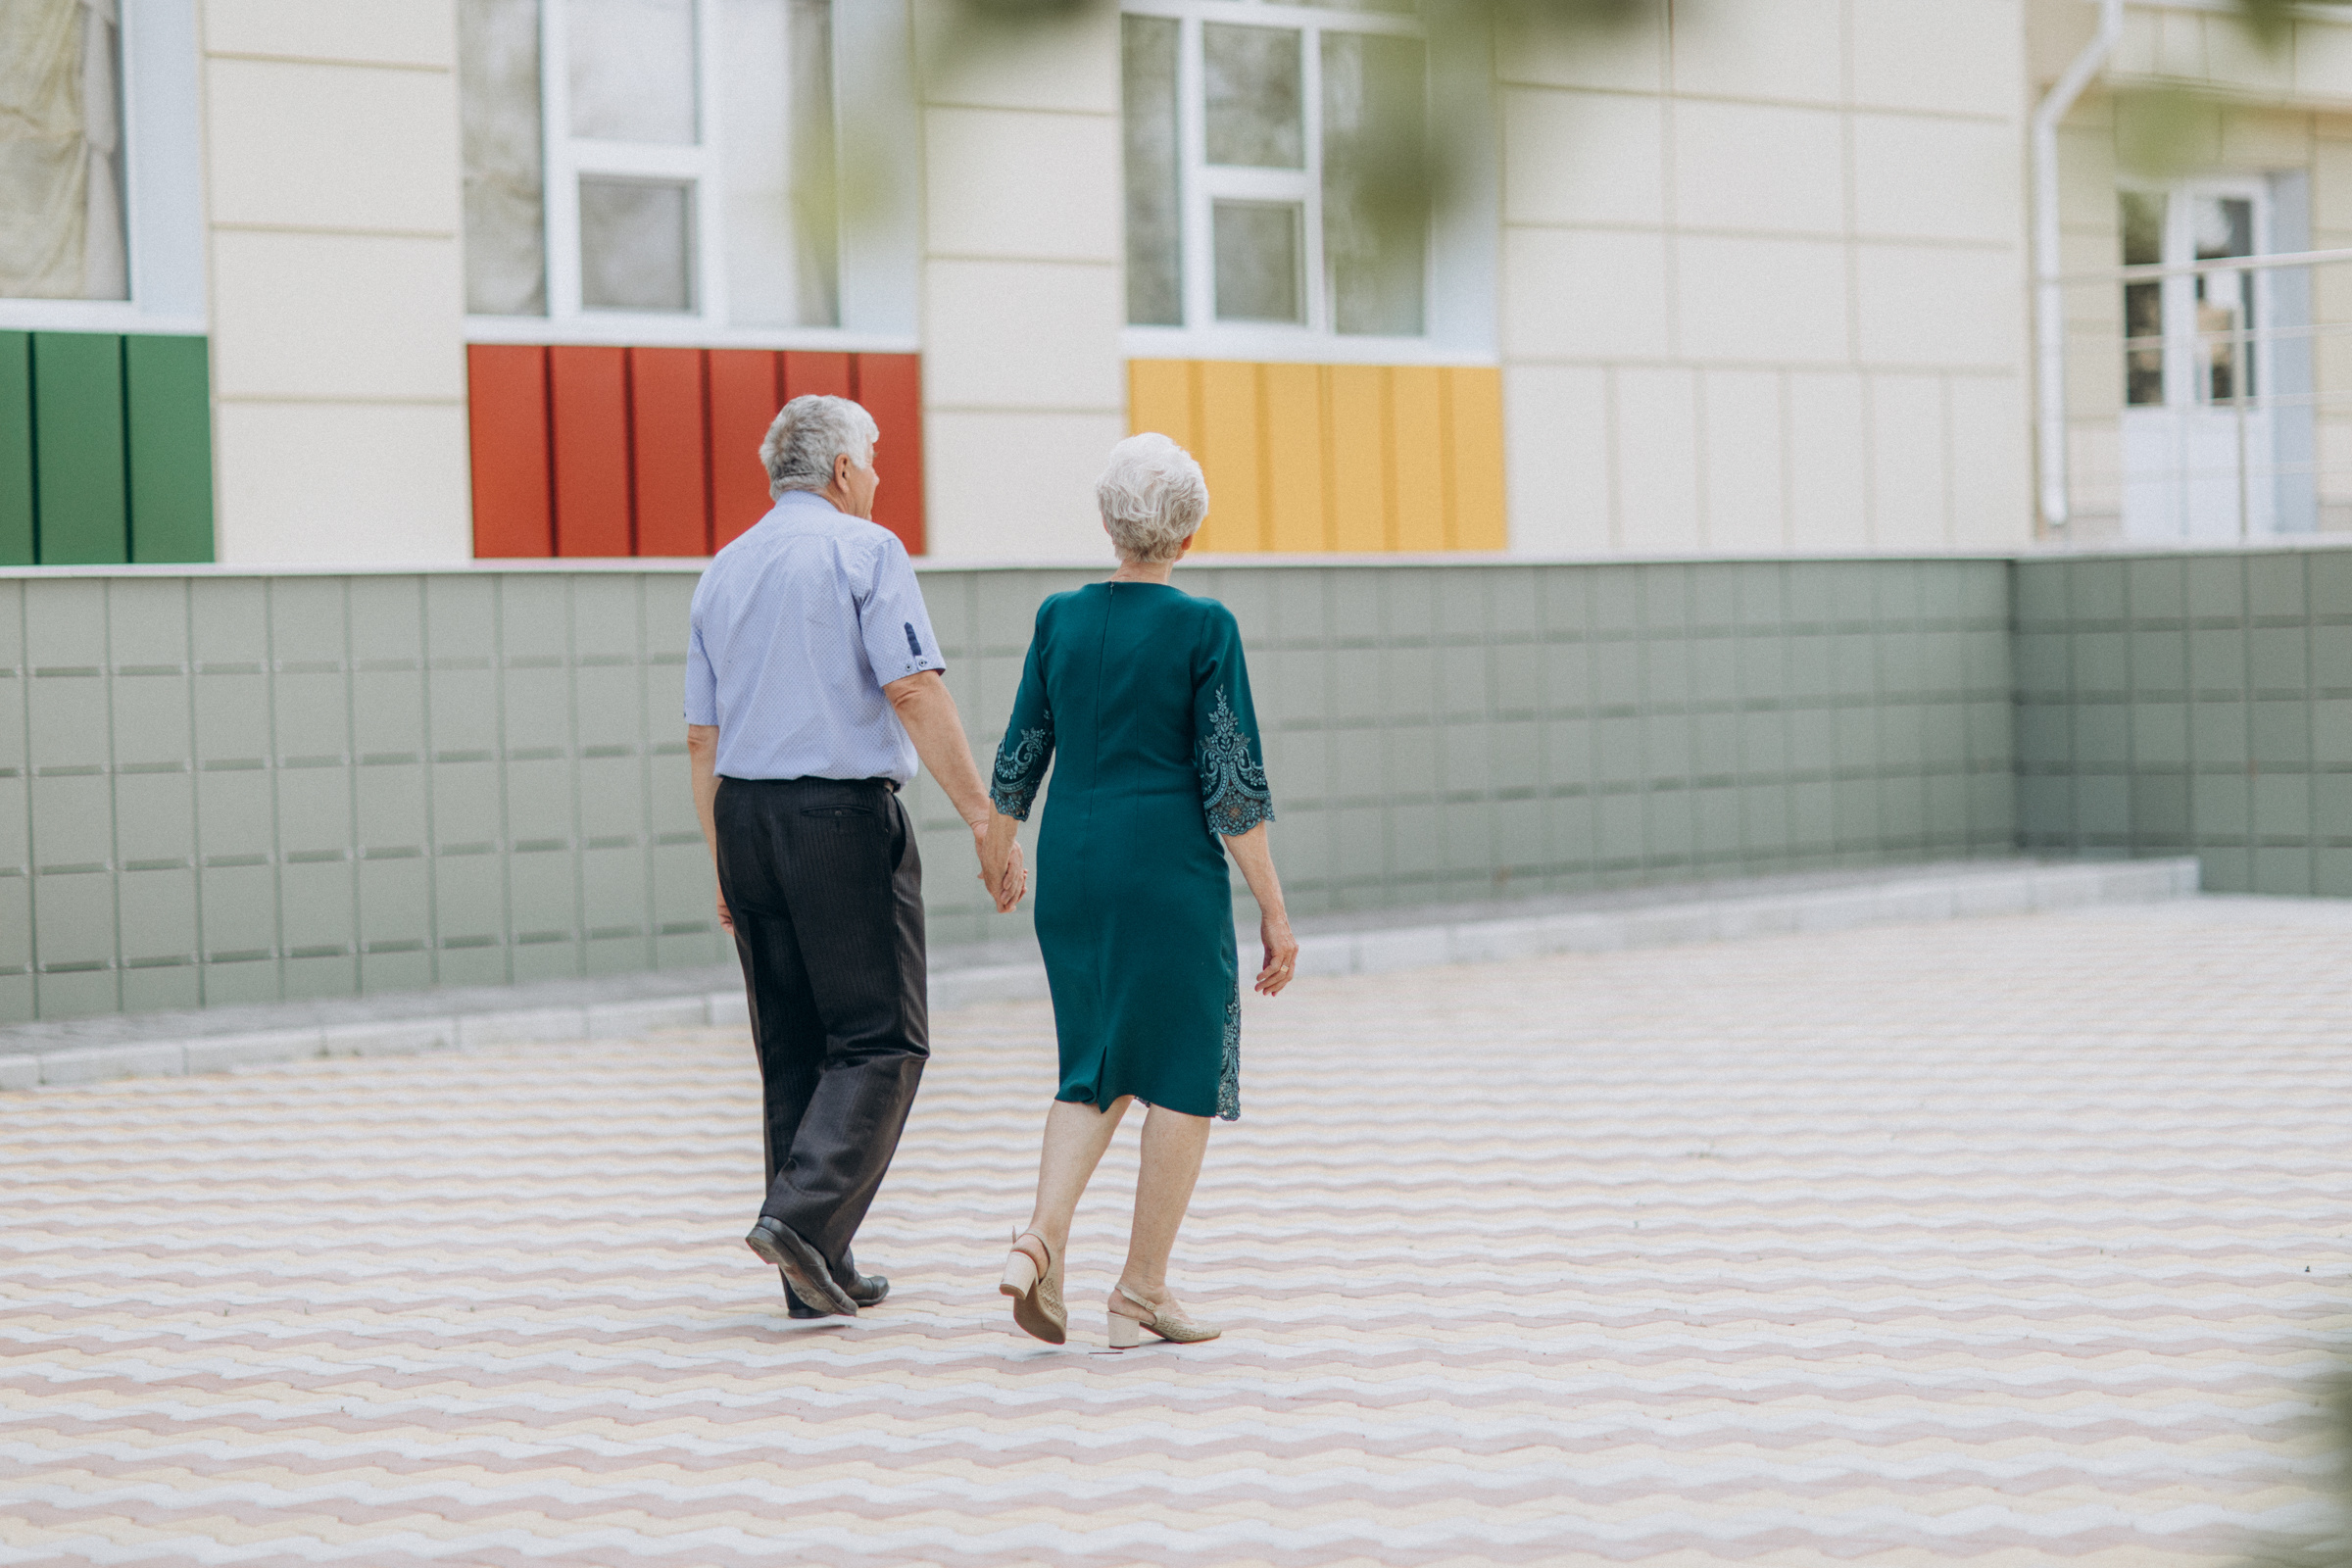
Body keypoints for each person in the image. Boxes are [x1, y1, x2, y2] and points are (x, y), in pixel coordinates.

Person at [685, 394, 1024, 1320]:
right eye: (871, 460)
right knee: (881, 1040)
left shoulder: (721, 571)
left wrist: (722, 859)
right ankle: (799, 1219)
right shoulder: (866, 551)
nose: (877, 475)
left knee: (793, 1046)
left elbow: (700, 741)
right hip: (837, 818)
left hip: (747, 819)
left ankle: (815, 1269)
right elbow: (911, 687)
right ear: (841, 472)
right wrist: (983, 819)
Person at [981, 432, 1298, 1349]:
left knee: (1093, 1062)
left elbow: (1019, 751)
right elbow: (1232, 786)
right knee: (1183, 1077)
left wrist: (1000, 849)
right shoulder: (1206, 629)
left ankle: (1040, 1239)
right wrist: (1274, 911)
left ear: (1108, 522)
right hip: (1167, 875)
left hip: (1072, 869)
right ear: (1188, 534)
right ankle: (1140, 1293)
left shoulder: (1058, 617)